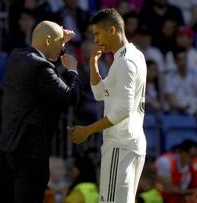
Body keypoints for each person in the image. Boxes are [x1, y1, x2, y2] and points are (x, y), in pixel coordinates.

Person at [0, 20, 80, 203]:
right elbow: (70, 97)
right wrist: (73, 70)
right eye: (60, 44)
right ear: (48, 41)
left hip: (6, 147)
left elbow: (43, 53)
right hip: (29, 153)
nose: (63, 49)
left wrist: (60, 40)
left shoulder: (16, 56)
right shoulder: (40, 67)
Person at [70, 8, 147, 203]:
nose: (95, 39)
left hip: (120, 144)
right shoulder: (133, 55)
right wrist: (93, 64)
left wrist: (88, 130)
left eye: (97, 33)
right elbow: (100, 94)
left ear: (112, 30)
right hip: (130, 142)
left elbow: (123, 110)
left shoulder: (125, 62)